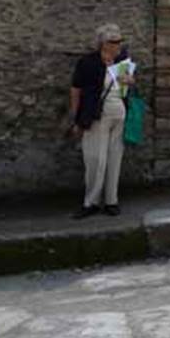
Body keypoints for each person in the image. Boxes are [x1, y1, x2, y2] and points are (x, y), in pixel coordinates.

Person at [69, 23, 134, 218]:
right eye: (115, 41)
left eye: (120, 41)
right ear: (104, 43)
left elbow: (129, 85)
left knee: (115, 158)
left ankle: (111, 201)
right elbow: (76, 90)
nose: (119, 44)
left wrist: (130, 81)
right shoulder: (88, 62)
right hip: (95, 115)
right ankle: (91, 202)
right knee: (95, 159)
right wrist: (76, 117)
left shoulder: (123, 60)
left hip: (119, 114)